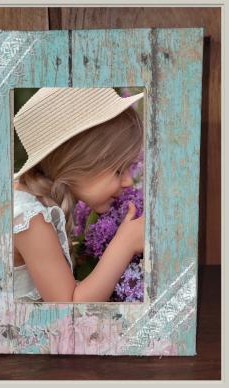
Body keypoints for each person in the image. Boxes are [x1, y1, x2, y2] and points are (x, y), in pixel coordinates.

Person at [13, 87, 145, 303]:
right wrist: (126, 242)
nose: (129, 181)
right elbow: (70, 309)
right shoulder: (28, 219)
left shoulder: (36, 202)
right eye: (119, 170)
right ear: (78, 164)